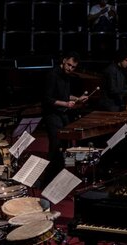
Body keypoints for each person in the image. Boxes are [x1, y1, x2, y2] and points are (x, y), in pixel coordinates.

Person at [42, 51, 88, 184]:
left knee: (66, 146)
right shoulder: (52, 75)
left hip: (63, 114)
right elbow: (48, 99)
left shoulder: (67, 77)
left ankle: (63, 175)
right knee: (56, 147)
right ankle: (48, 179)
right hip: (52, 115)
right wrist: (66, 104)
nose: (70, 68)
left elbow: (65, 95)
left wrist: (78, 98)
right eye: (69, 65)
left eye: (73, 67)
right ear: (63, 61)